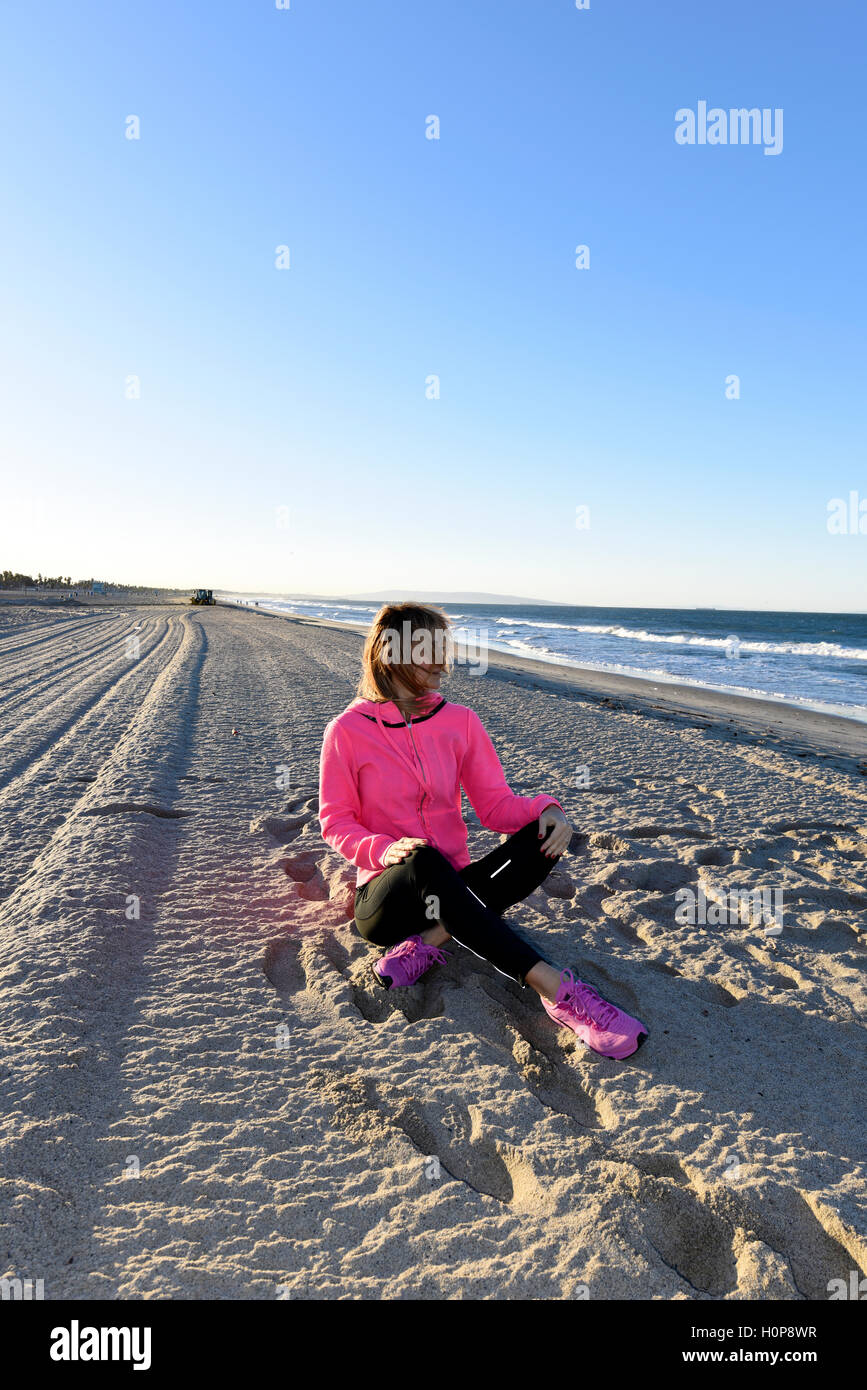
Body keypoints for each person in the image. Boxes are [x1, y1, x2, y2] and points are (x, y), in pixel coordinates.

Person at [318, 603, 648, 1060]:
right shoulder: (348, 731)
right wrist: (385, 849)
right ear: (390, 655)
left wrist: (547, 808)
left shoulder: (460, 723)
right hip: (386, 898)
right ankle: (559, 992)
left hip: (456, 888)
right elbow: (336, 821)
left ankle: (432, 939)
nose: (442, 661)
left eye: (444, 648)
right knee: (423, 857)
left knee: (543, 836)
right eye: (427, 648)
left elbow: (494, 806)